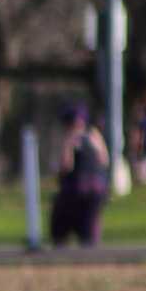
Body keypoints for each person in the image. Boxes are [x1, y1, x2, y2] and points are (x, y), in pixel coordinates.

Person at [49, 104, 111, 248]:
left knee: (60, 226)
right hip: (97, 189)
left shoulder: (72, 139)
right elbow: (105, 160)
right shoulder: (94, 136)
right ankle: (88, 244)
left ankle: (64, 246)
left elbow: (66, 166)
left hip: (76, 190)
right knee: (90, 227)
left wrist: (68, 146)